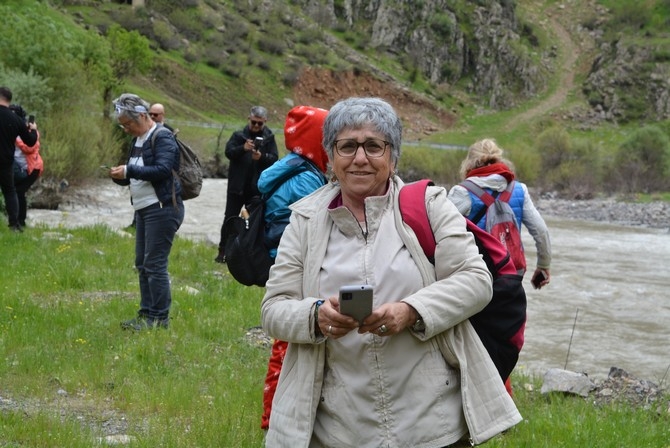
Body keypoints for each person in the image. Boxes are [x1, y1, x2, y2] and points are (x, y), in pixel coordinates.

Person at [260, 97, 521, 447]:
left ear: (393, 157)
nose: (360, 158)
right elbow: (274, 308)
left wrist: (410, 311)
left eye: (374, 146)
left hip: (431, 424)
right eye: (347, 146)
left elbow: (475, 281)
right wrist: (315, 317)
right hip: (337, 428)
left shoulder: (429, 205)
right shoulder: (304, 220)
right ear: (331, 157)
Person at [258, 105, 329, 430]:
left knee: (289, 340)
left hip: (281, 259)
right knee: (289, 341)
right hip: (295, 266)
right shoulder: (305, 179)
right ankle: (274, 420)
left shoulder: (291, 167)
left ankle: (280, 416)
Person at [109, 93, 185, 331]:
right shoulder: (138, 139)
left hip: (161, 209)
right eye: (123, 125)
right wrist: (120, 177)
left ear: (142, 116)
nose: (126, 129)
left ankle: (159, 319)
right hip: (144, 209)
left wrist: (129, 171)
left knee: (155, 264)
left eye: (128, 124)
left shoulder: (161, 136)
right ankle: (146, 314)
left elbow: (162, 169)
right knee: (142, 263)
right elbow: (138, 173)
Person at [447, 138, 551, 289]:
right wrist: (543, 265)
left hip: (476, 277)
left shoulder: (462, 192)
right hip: (512, 275)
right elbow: (541, 231)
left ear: (469, 163)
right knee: (514, 312)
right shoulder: (519, 189)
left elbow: (440, 234)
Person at [215, 105, 278, 263]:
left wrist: (261, 157)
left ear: (265, 122)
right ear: (248, 119)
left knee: (255, 222)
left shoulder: (269, 138)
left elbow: (274, 159)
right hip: (236, 187)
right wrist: (243, 148)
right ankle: (223, 251)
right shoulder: (238, 136)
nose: (256, 126)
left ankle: (250, 254)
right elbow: (229, 153)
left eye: (259, 123)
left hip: (256, 189)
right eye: (254, 122)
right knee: (230, 219)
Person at [0, 86, 38, 232]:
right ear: (9, 100)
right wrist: (33, 129)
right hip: (6, 162)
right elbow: (30, 142)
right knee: (10, 192)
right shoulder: (16, 119)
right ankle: (14, 225)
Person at [10, 104, 44, 229]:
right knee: (14, 191)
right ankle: (16, 221)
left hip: (33, 168)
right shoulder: (9, 129)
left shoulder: (28, 130)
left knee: (19, 191)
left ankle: (21, 221)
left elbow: (30, 147)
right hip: (19, 169)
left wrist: (16, 140)